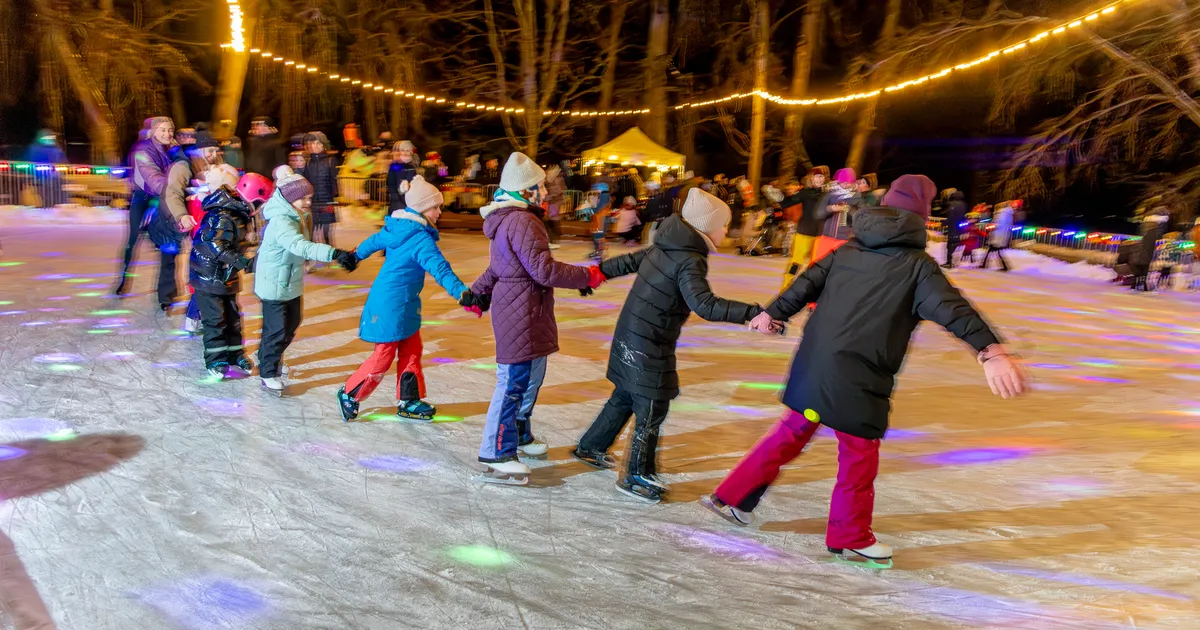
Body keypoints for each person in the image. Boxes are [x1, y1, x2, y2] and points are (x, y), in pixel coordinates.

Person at [701, 174, 1028, 569]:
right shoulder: (916, 266)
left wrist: (773, 313)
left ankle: (732, 497)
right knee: (858, 453)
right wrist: (991, 351)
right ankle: (850, 537)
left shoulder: (849, 248)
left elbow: (806, 283)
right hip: (861, 371)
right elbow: (953, 310)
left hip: (816, 360)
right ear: (922, 216)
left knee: (793, 430)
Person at [573, 189, 763, 503]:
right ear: (705, 226)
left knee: (625, 395)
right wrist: (752, 313)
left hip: (632, 333)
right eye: (724, 224)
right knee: (651, 406)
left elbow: (629, 261)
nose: (727, 230)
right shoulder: (689, 258)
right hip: (648, 341)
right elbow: (705, 305)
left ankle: (592, 446)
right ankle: (636, 475)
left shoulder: (669, 244)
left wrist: (596, 274)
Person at [467, 153, 599, 483]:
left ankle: (520, 434)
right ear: (525, 191)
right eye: (540, 186)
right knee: (512, 383)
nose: (545, 192)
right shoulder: (523, 221)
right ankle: (496, 451)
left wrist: (477, 292)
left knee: (530, 377)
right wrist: (586, 276)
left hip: (526, 309)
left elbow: (499, 266)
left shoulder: (512, 220)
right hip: (521, 311)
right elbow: (543, 269)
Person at [335, 176, 481, 421]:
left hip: (405, 302)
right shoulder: (419, 239)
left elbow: (374, 241)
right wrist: (462, 293)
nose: (439, 211)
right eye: (435, 207)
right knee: (383, 355)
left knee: (412, 350)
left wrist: (356, 256)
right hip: (390, 303)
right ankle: (350, 392)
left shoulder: (397, 226)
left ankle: (409, 400)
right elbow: (441, 269)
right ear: (422, 208)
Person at [255, 169, 359, 394]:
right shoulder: (281, 220)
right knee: (276, 329)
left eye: (310, 197)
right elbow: (299, 246)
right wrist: (334, 253)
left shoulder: (298, 214)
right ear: (290, 198)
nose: (308, 202)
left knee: (292, 323)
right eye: (304, 198)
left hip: (289, 279)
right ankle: (268, 371)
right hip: (274, 281)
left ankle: (267, 356)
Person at [190, 186, 256, 379]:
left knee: (233, 319)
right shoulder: (221, 216)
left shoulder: (235, 215)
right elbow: (215, 245)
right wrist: (243, 262)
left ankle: (235, 354)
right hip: (208, 276)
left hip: (226, 275)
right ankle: (216, 359)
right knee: (215, 320)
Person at [114, 117, 179, 298]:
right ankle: (124, 277)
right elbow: (152, 177)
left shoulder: (171, 149)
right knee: (133, 240)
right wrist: (174, 187)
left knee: (168, 243)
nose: (168, 134)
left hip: (162, 199)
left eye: (170, 130)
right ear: (153, 131)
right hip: (143, 200)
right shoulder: (142, 150)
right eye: (163, 130)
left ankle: (167, 293)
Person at [781, 167, 828, 289]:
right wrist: (783, 196)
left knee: (816, 265)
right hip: (804, 232)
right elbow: (786, 203)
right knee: (796, 262)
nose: (819, 179)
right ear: (811, 178)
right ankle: (786, 286)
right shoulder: (805, 192)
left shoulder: (827, 194)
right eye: (816, 176)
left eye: (821, 176)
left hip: (821, 235)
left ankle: (811, 291)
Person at [300, 131, 339, 250]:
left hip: (326, 201)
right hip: (311, 202)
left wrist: (334, 197)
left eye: (317, 143)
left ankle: (329, 253)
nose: (314, 146)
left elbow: (334, 182)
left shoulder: (330, 161)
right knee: (310, 231)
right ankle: (309, 256)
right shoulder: (307, 162)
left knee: (326, 232)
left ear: (323, 145)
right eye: (310, 144)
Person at [1130, 210, 1170, 292]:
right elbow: (1156, 242)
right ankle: (1141, 286)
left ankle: (1136, 286)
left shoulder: (1145, 230)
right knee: (1143, 271)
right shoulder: (1155, 232)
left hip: (1139, 254)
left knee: (1140, 272)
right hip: (1146, 255)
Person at [981, 201, 1014, 272]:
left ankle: (984, 265)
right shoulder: (1006, 214)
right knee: (997, 252)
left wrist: (992, 226)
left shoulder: (1003, 214)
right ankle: (1005, 266)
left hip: (998, 235)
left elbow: (999, 224)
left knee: (992, 251)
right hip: (1000, 235)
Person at [387, 140, 419, 213]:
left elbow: (413, 180)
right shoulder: (395, 166)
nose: (406, 153)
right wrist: (395, 195)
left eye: (408, 151)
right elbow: (391, 182)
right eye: (403, 151)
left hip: (409, 198)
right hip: (398, 199)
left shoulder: (410, 167)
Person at [943, 189, 967, 269]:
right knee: (957, 243)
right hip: (959, 227)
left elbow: (951, 216)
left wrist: (945, 222)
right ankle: (956, 261)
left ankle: (950, 262)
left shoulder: (953, 204)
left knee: (950, 244)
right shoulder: (964, 204)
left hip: (953, 227)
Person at [544, 164, 567, 247]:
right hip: (552, 203)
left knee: (552, 222)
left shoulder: (556, 180)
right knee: (550, 221)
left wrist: (548, 197)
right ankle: (552, 239)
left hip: (554, 204)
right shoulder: (550, 180)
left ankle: (553, 239)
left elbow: (557, 191)